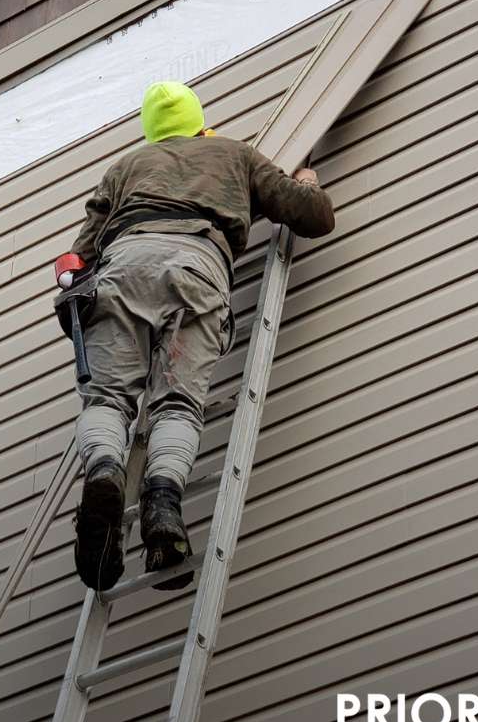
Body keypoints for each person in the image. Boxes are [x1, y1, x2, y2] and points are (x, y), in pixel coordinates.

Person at [53, 81, 335, 592]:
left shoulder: (125, 168)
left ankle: (103, 473)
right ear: (200, 121)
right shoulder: (233, 154)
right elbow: (311, 217)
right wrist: (310, 186)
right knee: (178, 403)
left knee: (109, 399)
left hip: (122, 269)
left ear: (152, 132)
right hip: (195, 269)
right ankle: (162, 509)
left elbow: (78, 259)